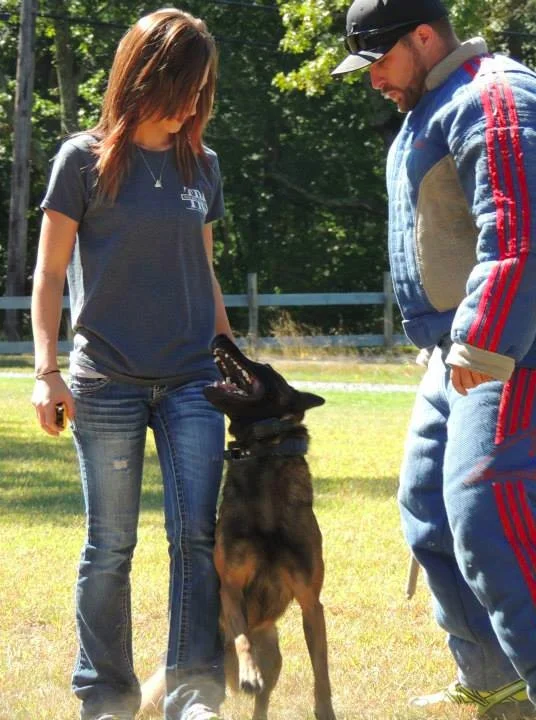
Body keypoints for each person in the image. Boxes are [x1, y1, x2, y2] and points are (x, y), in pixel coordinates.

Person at [332, 0, 536, 717]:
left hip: (507, 350)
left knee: (489, 515)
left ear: (423, 36)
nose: (373, 79)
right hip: (456, 350)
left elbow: (519, 230)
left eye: (379, 60)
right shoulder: (438, 103)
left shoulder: (493, 95)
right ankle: (494, 680)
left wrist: (483, 340)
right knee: (428, 511)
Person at [31, 9, 233, 720]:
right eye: (183, 87)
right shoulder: (80, 161)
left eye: (201, 90)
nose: (191, 104)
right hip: (105, 381)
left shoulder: (202, 165)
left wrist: (231, 361)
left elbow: (204, 273)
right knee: (110, 546)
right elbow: (49, 274)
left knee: (196, 538)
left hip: (193, 381)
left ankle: (193, 692)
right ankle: (106, 694)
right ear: (143, 78)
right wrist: (46, 371)